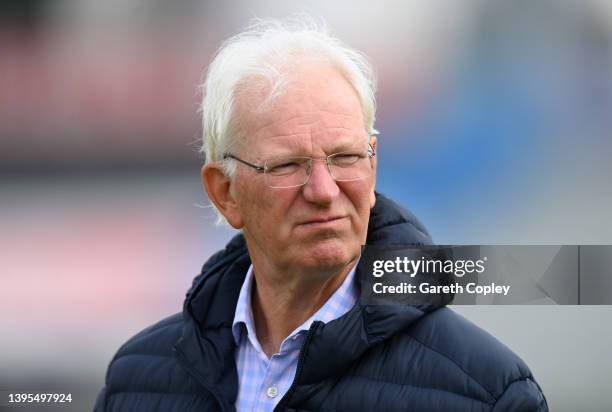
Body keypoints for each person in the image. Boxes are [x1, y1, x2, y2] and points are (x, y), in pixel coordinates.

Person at [95, 16, 548, 412]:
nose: (324, 190)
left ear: (374, 164)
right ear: (225, 192)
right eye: (287, 165)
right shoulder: (137, 381)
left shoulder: (486, 392)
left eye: (346, 157)